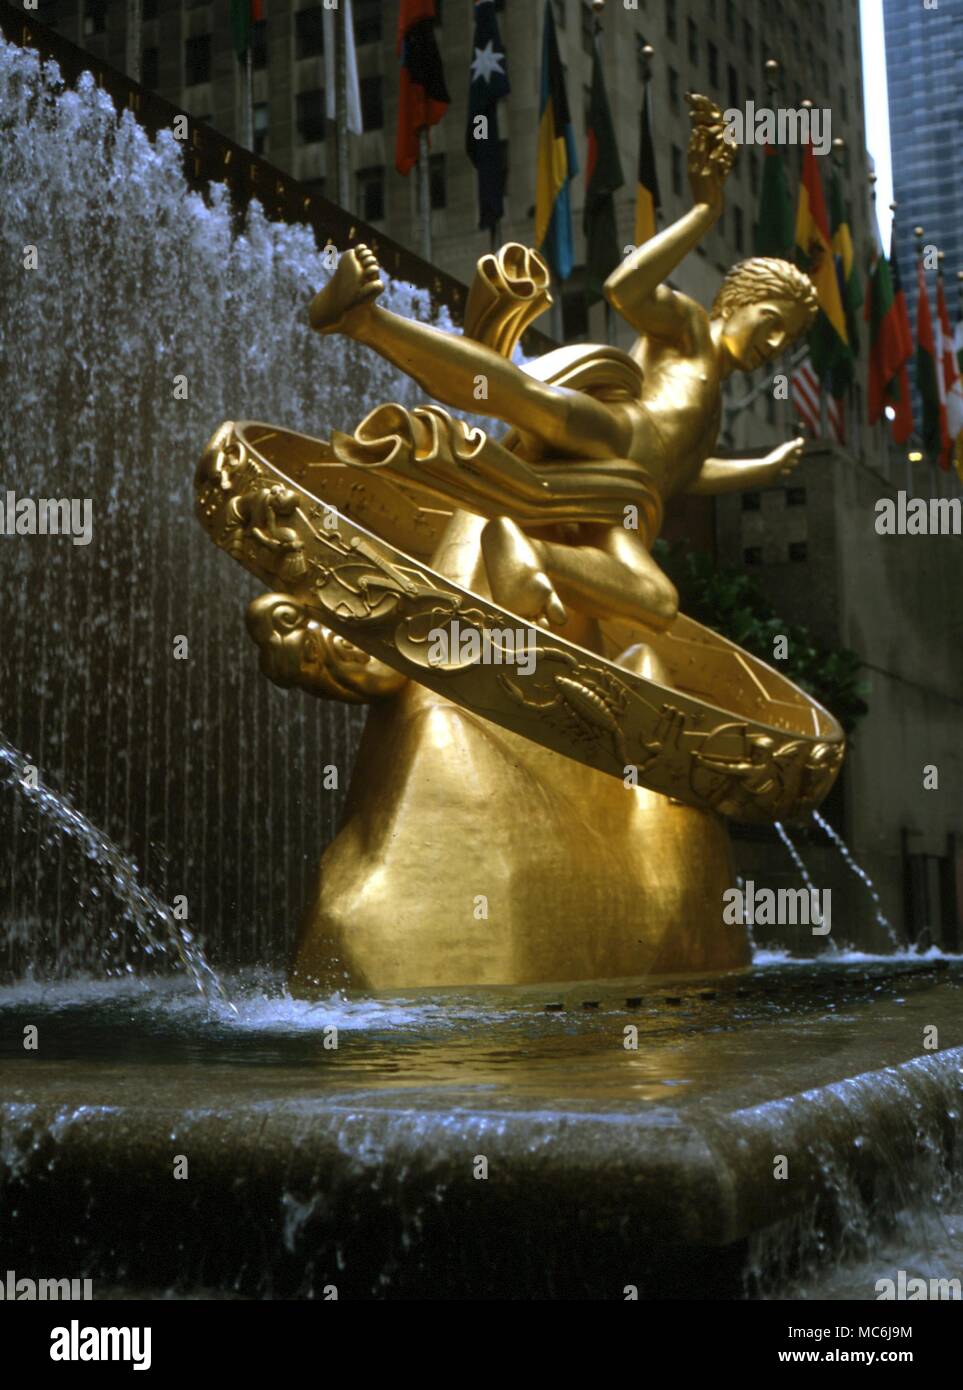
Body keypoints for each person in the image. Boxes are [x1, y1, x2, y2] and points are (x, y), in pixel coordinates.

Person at [308, 93, 816, 633]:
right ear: (736, 303)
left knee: (659, 600)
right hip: (617, 435)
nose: (777, 342)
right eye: (772, 320)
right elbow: (624, 287)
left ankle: (531, 554)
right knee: (534, 400)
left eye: (787, 340)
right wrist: (705, 211)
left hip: (621, 501)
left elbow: (688, 472)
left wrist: (759, 469)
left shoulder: (715, 409)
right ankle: (361, 320)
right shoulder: (689, 328)